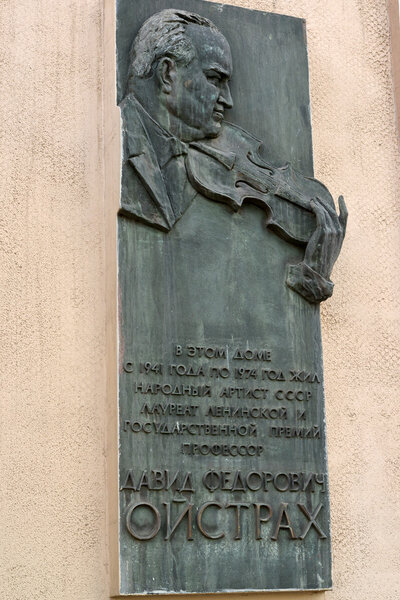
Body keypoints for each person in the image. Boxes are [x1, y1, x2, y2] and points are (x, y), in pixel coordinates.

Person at [119, 9, 347, 304]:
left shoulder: (218, 158)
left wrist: (312, 275)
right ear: (166, 74)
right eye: (215, 79)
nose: (228, 100)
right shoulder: (118, 147)